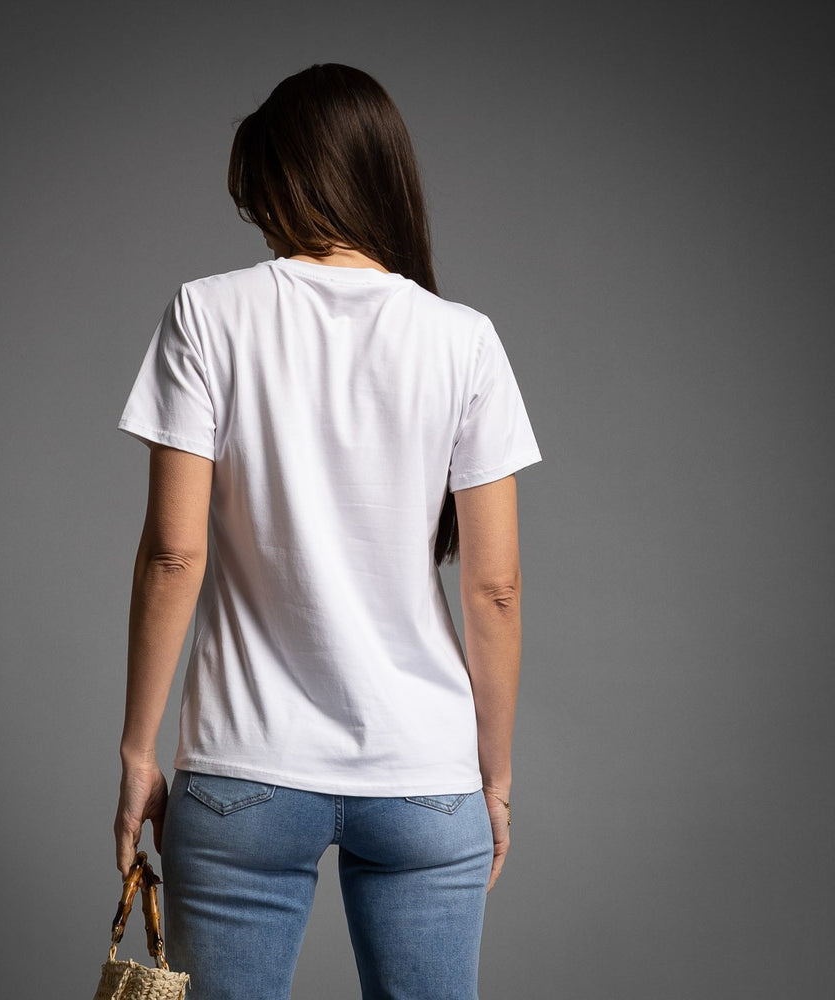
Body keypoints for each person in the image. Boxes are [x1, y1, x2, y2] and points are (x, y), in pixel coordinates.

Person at [112, 63, 541, 1000]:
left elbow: (174, 554)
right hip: (424, 771)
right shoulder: (465, 339)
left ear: (280, 182)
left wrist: (139, 754)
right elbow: (494, 589)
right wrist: (493, 780)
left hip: (242, 768)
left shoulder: (207, 313)